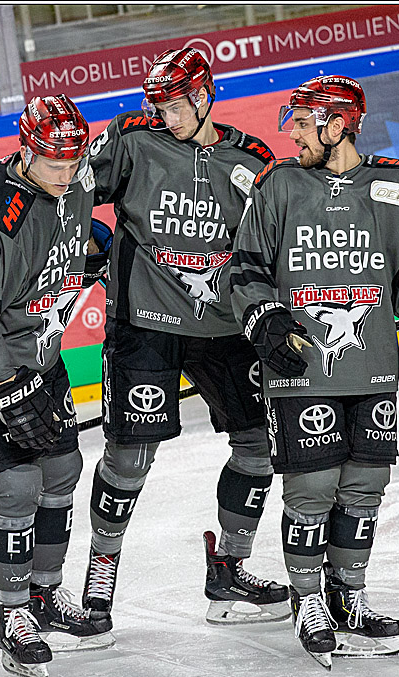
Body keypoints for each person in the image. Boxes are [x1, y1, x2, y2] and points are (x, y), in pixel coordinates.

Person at [229, 75, 399, 666]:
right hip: (302, 369)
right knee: (311, 490)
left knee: (364, 489)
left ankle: (348, 597)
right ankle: (309, 602)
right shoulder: (277, 186)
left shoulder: (397, 186)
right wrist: (265, 321)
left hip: (372, 366)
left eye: (303, 123)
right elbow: (245, 271)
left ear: (338, 125)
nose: (292, 134)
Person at [81, 47, 291, 628]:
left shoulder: (251, 158)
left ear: (205, 96)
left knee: (258, 443)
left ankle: (229, 568)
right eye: (159, 104)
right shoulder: (131, 138)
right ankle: (100, 576)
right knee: (128, 457)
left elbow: (274, 243)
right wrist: (84, 239)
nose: (166, 115)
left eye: (175, 104)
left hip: (226, 324)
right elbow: (70, 193)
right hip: (144, 321)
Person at [0, 94, 112, 677]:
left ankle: (44, 595)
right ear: (27, 151)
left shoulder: (75, 181)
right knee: (14, 487)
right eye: (53, 162)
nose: (66, 172)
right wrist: (7, 387)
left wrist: (91, 252)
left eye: (73, 160)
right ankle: (12, 616)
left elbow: (59, 249)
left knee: (61, 475)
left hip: (40, 357)